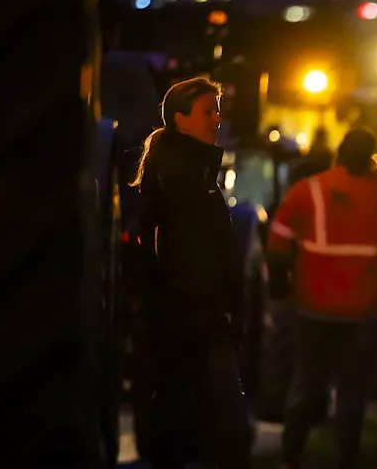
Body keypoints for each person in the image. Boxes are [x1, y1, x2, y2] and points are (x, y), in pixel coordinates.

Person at [132, 77, 252, 468]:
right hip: (192, 322)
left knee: (199, 421)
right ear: (180, 119)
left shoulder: (196, 175)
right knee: (220, 425)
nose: (217, 119)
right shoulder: (176, 180)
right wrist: (213, 312)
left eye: (217, 110)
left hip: (201, 320)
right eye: (207, 111)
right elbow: (183, 255)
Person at [267, 128, 377, 469]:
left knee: (306, 384)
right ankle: (346, 459)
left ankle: (290, 456)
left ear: (339, 151)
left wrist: (279, 291)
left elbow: (278, 243)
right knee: (352, 393)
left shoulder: (308, 190)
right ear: (372, 156)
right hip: (365, 311)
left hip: (313, 307)